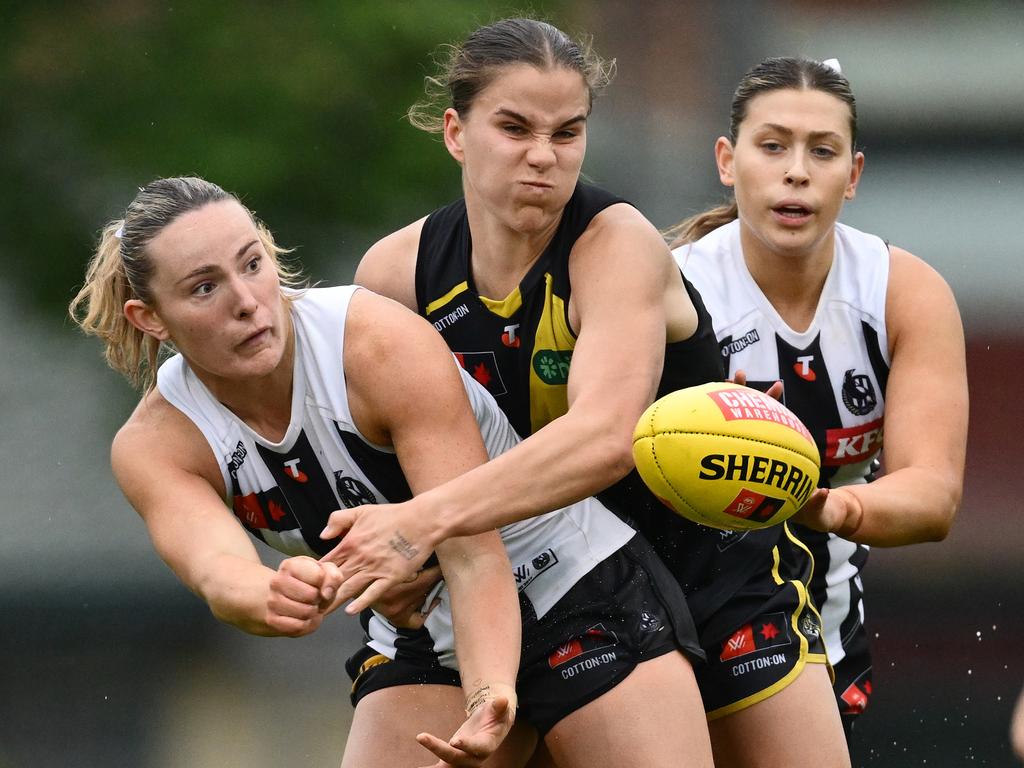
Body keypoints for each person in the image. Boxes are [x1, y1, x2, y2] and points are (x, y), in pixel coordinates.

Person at [325, 18, 850, 767]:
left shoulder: (614, 245)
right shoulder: (396, 274)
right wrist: (405, 565)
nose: (544, 155)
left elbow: (605, 439)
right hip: (542, 588)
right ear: (454, 132)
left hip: (712, 568)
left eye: (567, 132)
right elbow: (375, 456)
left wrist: (421, 524)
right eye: (514, 127)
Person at [68, 176, 713, 768]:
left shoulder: (372, 344)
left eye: (252, 264)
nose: (246, 302)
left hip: (571, 580)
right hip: (430, 631)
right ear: (149, 318)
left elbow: (473, 551)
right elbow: (218, 571)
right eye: (204, 287)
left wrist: (489, 689)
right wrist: (270, 595)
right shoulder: (157, 444)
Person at [668, 56, 968, 745]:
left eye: (822, 151)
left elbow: (933, 495)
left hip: (822, 632)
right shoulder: (669, 291)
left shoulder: (903, 292)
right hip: (670, 629)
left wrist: (821, 502)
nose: (795, 170)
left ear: (853, 175)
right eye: (772, 146)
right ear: (726, 159)